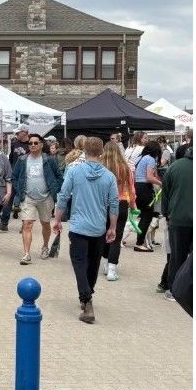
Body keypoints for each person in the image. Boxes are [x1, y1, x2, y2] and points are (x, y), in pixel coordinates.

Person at [52, 137, 118, 324]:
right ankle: (87, 295)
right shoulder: (109, 176)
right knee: (93, 264)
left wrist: (58, 219)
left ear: (84, 151)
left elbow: (63, 196)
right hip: (98, 228)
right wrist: (112, 227)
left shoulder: (74, 171)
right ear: (102, 152)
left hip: (79, 226)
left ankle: (86, 298)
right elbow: (114, 203)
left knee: (79, 263)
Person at [11, 134, 63, 265]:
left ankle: (45, 246)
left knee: (45, 223)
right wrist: (19, 189)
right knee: (27, 224)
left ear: (41, 144)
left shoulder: (49, 160)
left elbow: (59, 177)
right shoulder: (22, 160)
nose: (32, 145)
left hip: (46, 198)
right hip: (27, 198)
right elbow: (14, 177)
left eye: (35, 143)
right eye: (30, 143)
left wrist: (54, 190)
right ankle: (26, 254)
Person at [99, 141, 137, 281]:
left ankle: (105, 262)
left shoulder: (100, 168)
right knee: (116, 237)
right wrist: (133, 204)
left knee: (104, 234)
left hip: (103, 204)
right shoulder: (125, 168)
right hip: (121, 203)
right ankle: (112, 269)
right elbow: (131, 189)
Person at [161, 146, 193, 301]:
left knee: (176, 256)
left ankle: (173, 289)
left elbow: (165, 193)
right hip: (181, 217)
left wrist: (166, 214)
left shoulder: (175, 167)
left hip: (178, 218)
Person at [0, 124, 31, 231]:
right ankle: (4, 223)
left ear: (24, 133)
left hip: (26, 177)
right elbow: (11, 159)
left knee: (25, 201)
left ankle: (25, 224)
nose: (16, 134)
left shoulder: (32, 144)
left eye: (18, 132)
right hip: (13, 176)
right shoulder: (14, 144)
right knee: (8, 198)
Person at [133, 140, 162, 252]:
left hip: (137, 187)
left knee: (143, 216)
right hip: (145, 188)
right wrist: (161, 183)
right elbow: (149, 177)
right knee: (147, 216)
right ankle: (139, 243)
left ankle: (141, 241)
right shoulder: (150, 159)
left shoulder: (140, 158)